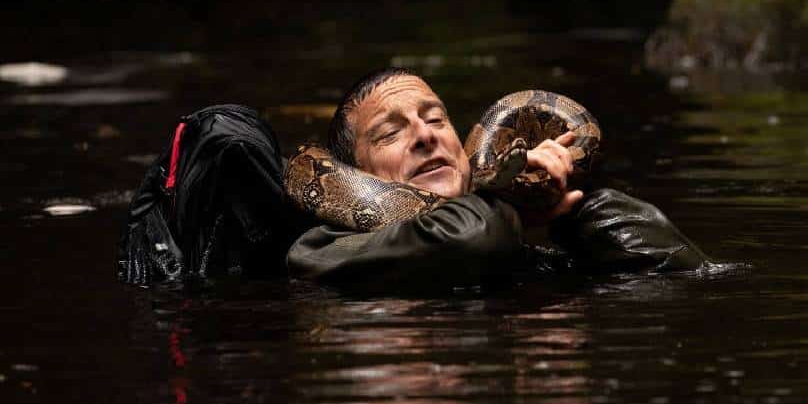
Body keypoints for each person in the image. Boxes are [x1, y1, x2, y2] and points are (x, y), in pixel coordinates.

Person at [286, 68, 707, 291]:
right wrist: (514, 205)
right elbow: (468, 236)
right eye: (391, 133)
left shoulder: (515, 225)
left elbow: (685, 271)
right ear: (351, 174)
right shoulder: (322, 248)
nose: (425, 135)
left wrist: (564, 205)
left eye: (435, 119)